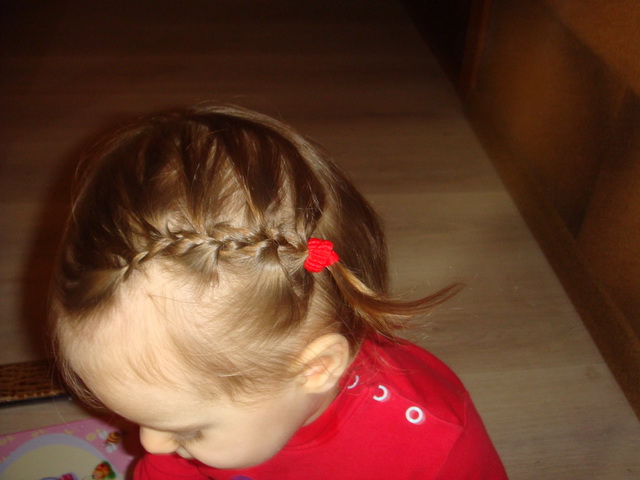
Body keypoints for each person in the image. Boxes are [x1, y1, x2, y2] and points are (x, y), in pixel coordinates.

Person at [50, 105, 508, 479]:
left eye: (187, 432)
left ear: (315, 369)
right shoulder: (199, 407)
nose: (147, 445)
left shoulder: (435, 446)